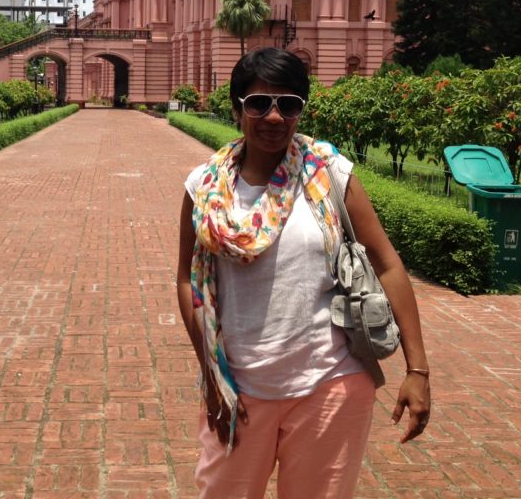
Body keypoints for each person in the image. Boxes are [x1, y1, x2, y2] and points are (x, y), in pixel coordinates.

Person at [176, 48, 431, 498]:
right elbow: (187, 281)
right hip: (236, 387)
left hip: (329, 385)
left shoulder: (329, 175)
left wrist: (418, 370)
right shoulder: (204, 188)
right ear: (237, 108)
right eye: (259, 103)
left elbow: (387, 262)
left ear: (301, 111)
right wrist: (210, 373)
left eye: (288, 104)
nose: (273, 117)